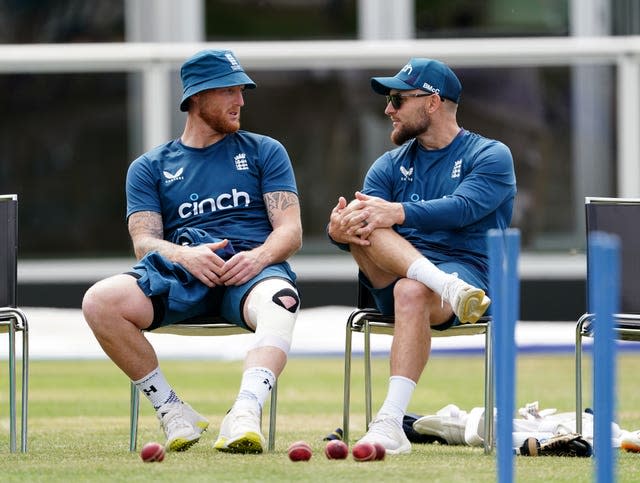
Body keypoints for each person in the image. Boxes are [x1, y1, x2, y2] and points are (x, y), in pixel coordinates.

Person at [82, 49, 302, 454]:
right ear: (197, 97)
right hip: (180, 273)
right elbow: (143, 241)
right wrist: (186, 256)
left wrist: (257, 258)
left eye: (242, 90)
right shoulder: (149, 167)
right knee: (99, 302)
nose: (241, 101)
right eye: (230, 91)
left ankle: (245, 413)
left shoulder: (264, 151)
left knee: (281, 301)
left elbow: (290, 231)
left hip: (249, 272)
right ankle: (172, 411)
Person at [327, 58, 516, 454]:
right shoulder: (389, 164)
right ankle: (440, 282)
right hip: (415, 282)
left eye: (397, 99)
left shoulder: (491, 155)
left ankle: (390, 422)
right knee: (366, 220)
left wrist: (396, 212)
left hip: (466, 274)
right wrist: (338, 232)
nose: (388, 109)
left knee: (410, 287)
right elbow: (363, 224)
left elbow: (463, 207)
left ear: (432, 103)